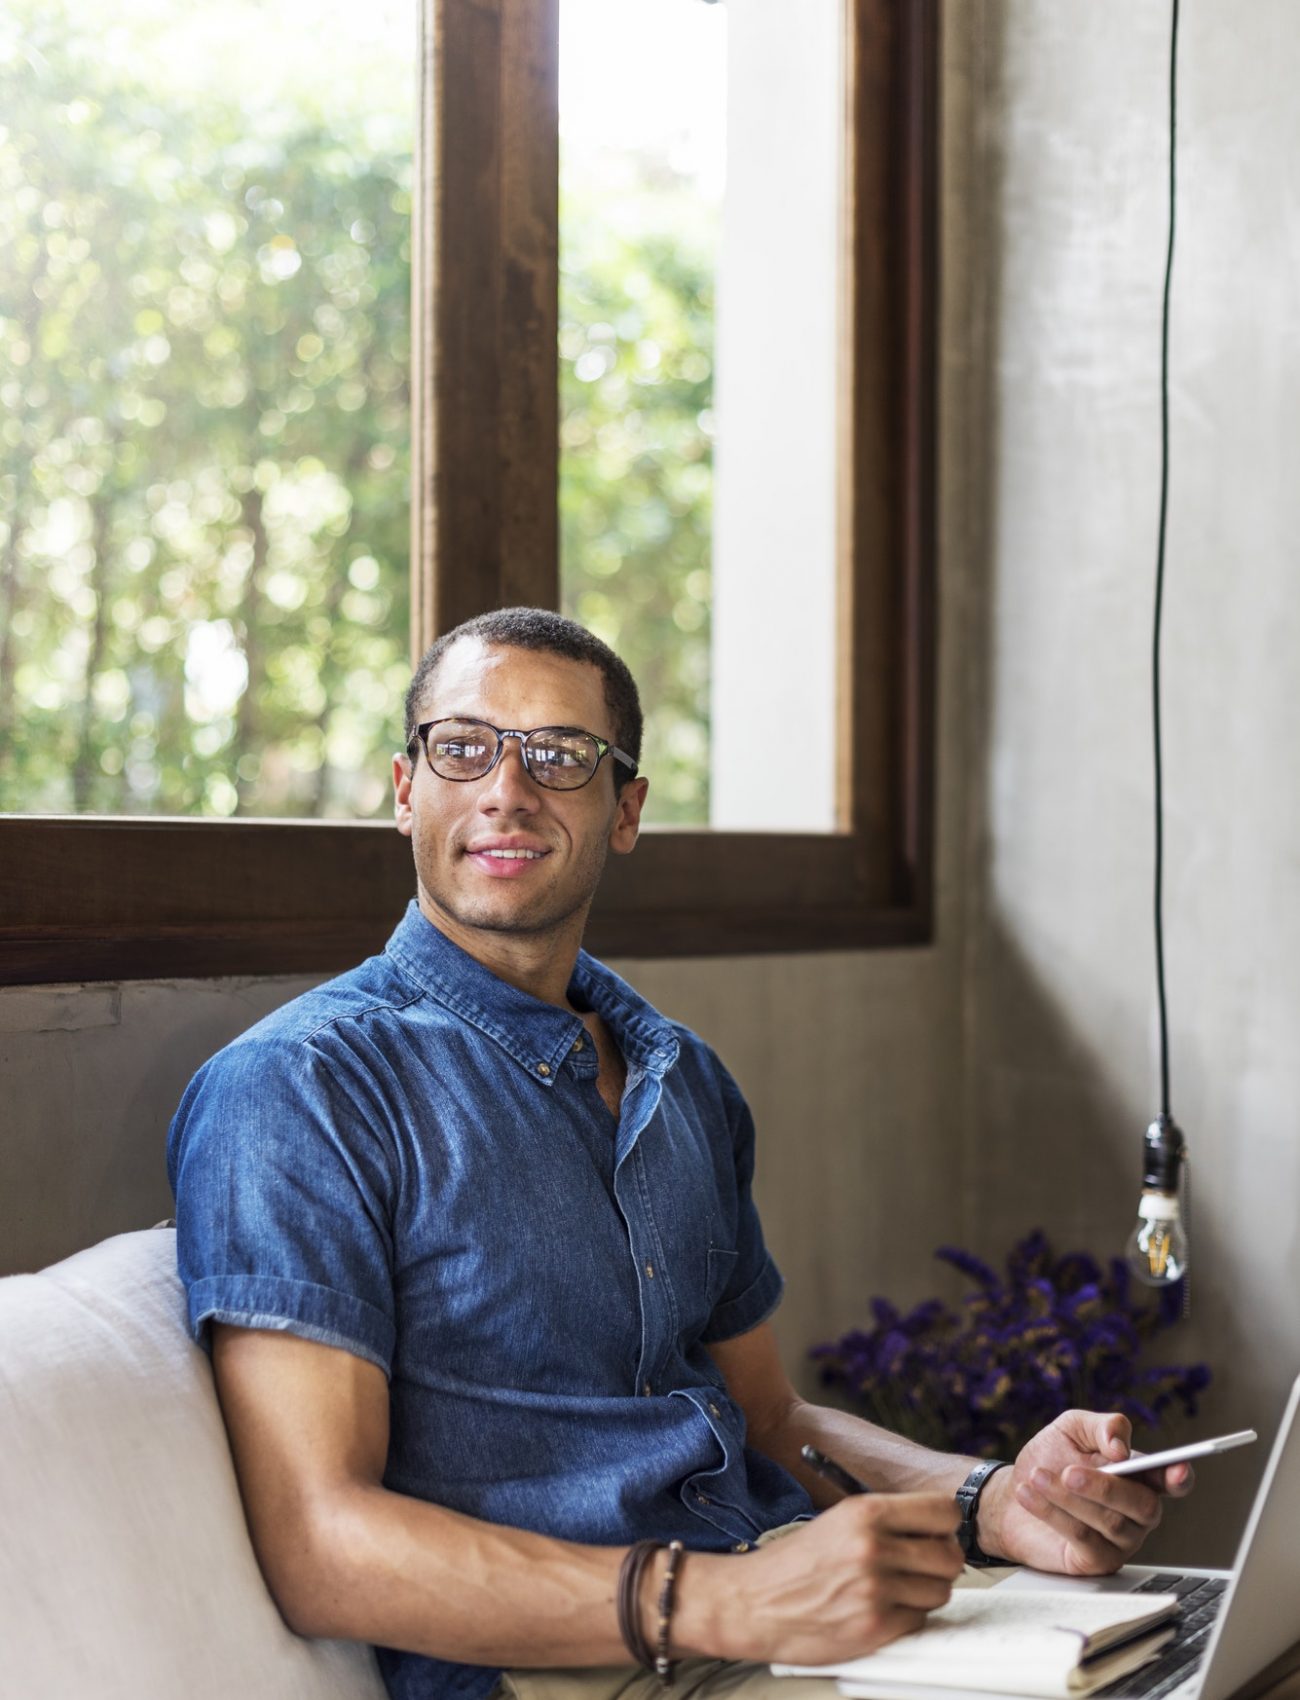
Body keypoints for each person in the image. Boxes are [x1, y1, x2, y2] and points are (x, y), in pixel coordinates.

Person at [167, 607, 1193, 1700]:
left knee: (1205, 1665)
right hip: (576, 1670)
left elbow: (768, 1420)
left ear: (626, 810)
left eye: (561, 756)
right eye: (461, 747)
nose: (506, 790)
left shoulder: (683, 1076)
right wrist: (727, 1599)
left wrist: (992, 1498)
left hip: (778, 1624)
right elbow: (319, 1542)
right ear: (406, 785)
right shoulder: (301, 1087)